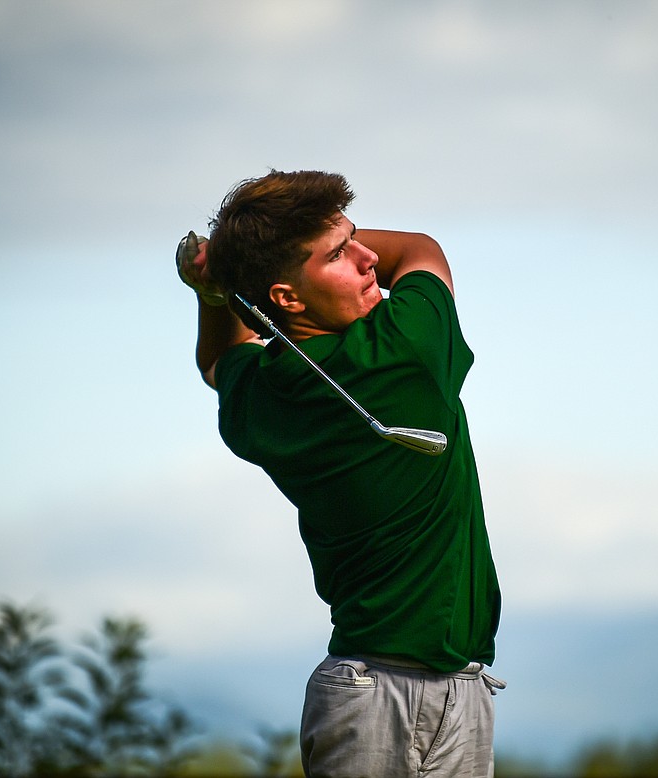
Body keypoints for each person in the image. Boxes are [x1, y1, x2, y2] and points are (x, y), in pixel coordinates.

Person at [175, 170, 503, 778]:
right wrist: (227, 268)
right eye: (338, 253)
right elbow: (420, 249)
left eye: (354, 238)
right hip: (387, 696)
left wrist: (219, 284)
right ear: (288, 297)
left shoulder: (267, 396)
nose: (367, 257)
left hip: (388, 691)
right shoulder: (407, 348)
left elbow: (222, 359)